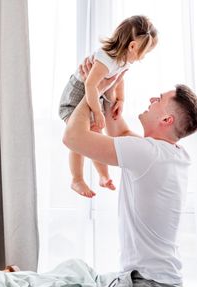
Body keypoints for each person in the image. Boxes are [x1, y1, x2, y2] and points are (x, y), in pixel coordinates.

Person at [61, 57, 197, 287]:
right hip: (150, 282)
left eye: (159, 99)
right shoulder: (170, 154)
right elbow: (122, 132)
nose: (152, 98)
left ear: (166, 119)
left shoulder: (148, 154)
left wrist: (92, 89)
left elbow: (72, 138)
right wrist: (112, 89)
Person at [59, 15, 158, 198]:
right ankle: (77, 179)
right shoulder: (106, 58)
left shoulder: (124, 59)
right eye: (144, 53)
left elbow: (119, 79)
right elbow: (90, 85)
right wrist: (97, 112)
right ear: (133, 46)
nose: (142, 58)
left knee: (94, 136)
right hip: (77, 95)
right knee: (79, 140)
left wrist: (120, 99)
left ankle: (103, 176)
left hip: (96, 93)